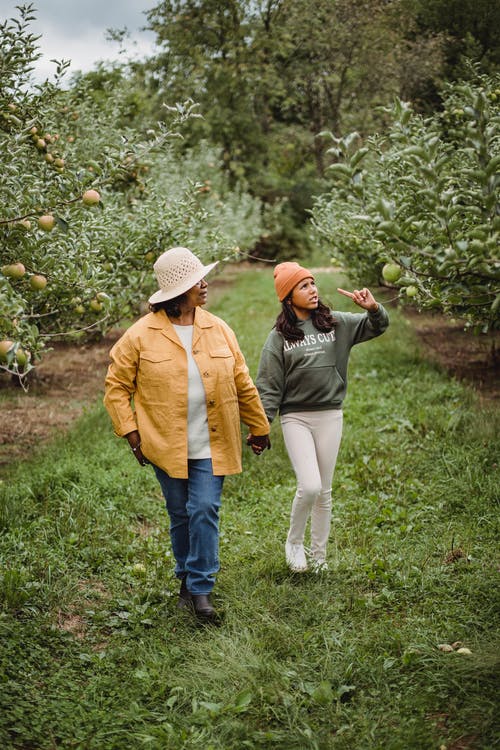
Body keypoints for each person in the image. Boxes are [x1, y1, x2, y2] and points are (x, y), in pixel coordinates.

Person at [103, 246, 270, 621]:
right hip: (165, 441)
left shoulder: (218, 328)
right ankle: (187, 577)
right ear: (179, 291)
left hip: (214, 440)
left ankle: (201, 589)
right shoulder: (140, 336)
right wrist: (131, 434)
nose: (205, 285)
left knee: (204, 509)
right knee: (180, 514)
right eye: (197, 281)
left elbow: (242, 381)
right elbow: (116, 387)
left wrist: (258, 425)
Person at [256, 261, 389, 573]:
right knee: (310, 485)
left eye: (313, 283)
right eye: (303, 286)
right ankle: (293, 542)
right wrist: (261, 426)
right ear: (288, 297)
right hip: (296, 418)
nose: (313, 290)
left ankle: (318, 557)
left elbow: (377, 326)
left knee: (324, 491)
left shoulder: (336, 324)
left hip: (330, 415)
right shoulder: (279, 338)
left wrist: (373, 308)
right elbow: (268, 386)